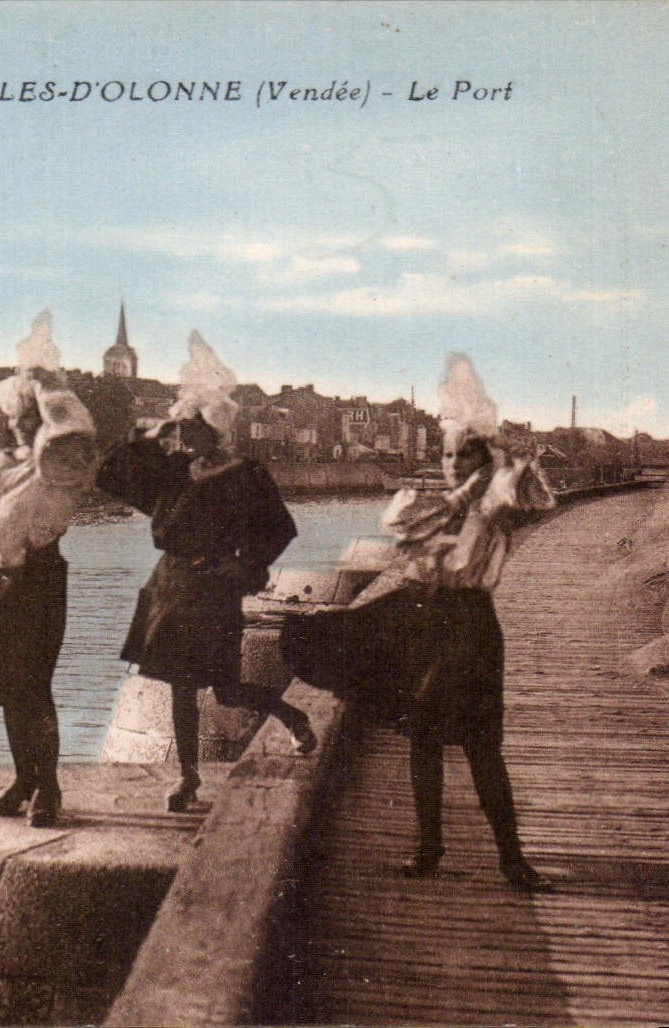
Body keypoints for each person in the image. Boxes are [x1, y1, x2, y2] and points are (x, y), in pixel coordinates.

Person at [282, 354, 555, 892]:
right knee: (424, 741)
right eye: (447, 454)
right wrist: (460, 489)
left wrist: (501, 469)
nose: (451, 462)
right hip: (424, 622)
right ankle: (429, 849)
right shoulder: (433, 504)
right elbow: (405, 527)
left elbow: (539, 501)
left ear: (481, 457)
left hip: (471, 626)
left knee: (482, 747)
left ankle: (512, 859)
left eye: (462, 455)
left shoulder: (495, 504)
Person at [97, 409, 315, 813]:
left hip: (214, 586)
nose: (185, 433)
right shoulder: (175, 468)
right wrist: (148, 435)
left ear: (216, 427)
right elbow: (108, 475)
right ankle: (188, 777)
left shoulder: (246, 472)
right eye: (181, 426)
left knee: (226, 690)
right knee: (179, 686)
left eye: (193, 425)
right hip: (171, 583)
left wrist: (247, 563)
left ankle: (292, 717)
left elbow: (280, 527)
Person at [0, 311, 96, 828]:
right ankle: (23, 778)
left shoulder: (58, 466)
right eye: (14, 415)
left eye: (26, 416)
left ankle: (48, 787)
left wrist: (48, 385)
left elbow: (76, 428)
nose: (15, 424)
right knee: (9, 688)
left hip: (36, 581)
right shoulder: (0, 462)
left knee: (34, 686)